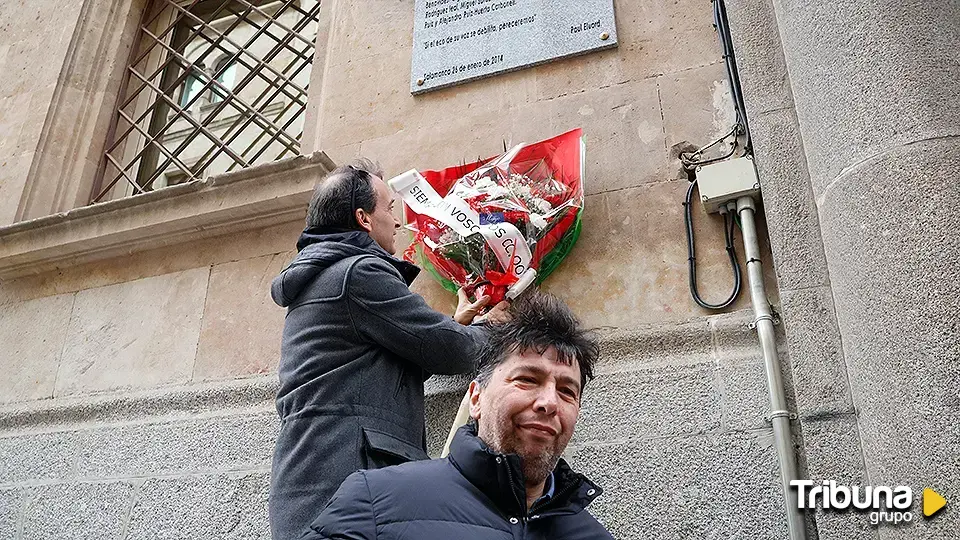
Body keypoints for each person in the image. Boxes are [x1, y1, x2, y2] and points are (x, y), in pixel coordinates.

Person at [269, 159, 509, 540]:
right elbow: (452, 352)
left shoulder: (327, 277)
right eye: (389, 209)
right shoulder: (358, 273)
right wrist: (495, 330)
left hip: (322, 481)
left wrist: (458, 322)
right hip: (350, 485)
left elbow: (381, 362)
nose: (397, 222)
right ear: (364, 218)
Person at [301, 292, 613, 540]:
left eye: (567, 391)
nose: (548, 402)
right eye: (527, 380)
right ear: (476, 398)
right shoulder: (375, 503)